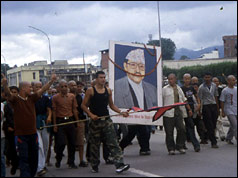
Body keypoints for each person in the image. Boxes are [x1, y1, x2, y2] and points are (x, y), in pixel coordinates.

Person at [1, 73, 57, 177]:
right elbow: (8, 94)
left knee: (34, 159)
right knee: (24, 159)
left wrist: (51, 81)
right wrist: (5, 84)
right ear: (23, 89)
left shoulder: (32, 98)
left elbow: (43, 90)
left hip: (33, 134)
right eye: (29, 87)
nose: (31, 89)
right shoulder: (15, 99)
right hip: (22, 136)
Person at [81, 71, 130, 174]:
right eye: (101, 77)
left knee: (113, 143)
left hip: (106, 121)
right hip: (95, 122)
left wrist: (121, 112)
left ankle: (119, 164)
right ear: (96, 79)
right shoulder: (91, 91)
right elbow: (83, 106)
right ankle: (94, 165)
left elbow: (112, 105)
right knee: (95, 145)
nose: (103, 79)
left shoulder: (108, 90)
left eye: (104, 77)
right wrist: (91, 115)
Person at [115, 49, 157, 155]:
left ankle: (145, 148)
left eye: (141, 66)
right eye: (133, 65)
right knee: (131, 133)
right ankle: (120, 148)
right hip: (130, 116)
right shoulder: (117, 87)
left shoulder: (152, 88)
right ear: (125, 66)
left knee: (144, 131)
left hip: (143, 116)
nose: (138, 70)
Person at [52, 80, 79, 169]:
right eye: (62, 86)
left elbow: (74, 109)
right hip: (60, 122)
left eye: (65, 86)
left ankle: (71, 162)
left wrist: (77, 121)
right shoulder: (55, 97)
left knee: (72, 143)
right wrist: (55, 125)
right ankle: (58, 158)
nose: (64, 88)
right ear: (59, 88)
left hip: (70, 120)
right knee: (61, 143)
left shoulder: (71, 96)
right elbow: (54, 111)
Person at [162, 73, 189, 155]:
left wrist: (189, 109)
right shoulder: (165, 89)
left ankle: (180, 145)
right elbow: (161, 101)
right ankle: (171, 148)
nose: (170, 81)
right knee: (169, 132)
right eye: (169, 79)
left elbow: (184, 99)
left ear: (175, 79)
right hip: (168, 113)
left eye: (172, 79)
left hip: (178, 111)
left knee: (182, 129)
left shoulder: (179, 88)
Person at [32, 81, 52, 176]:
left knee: (45, 144)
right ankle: (39, 167)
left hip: (44, 122)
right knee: (39, 145)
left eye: (41, 86)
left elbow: (49, 109)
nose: (39, 88)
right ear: (32, 88)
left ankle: (43, 164)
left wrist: (49, 117)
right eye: (37, 87)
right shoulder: (31, 98)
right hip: (34, 123)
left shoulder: (45, 98)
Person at [68, 80, 88, 167]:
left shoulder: (80, 97)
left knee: (80, 142)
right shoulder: (66, 97)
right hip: (69, 121)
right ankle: (70, 160)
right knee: (70, 142)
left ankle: (81, 160)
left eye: (75, 85)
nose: (74, 87)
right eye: (71, 85)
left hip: (80, 121)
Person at [198, 72, 219, 148]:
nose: (207, 79)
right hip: (206, 106)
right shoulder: (201, 87)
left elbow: (216, 96)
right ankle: (214, 142)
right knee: (209, 124)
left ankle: (206, 136)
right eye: (206, 77)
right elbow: (199, 99)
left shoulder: (214, 86)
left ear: (211, 77)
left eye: (208, 77)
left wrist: (217, 107)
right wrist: (200, 110)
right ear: (204, 78)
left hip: (213, 105)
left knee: (213, 124)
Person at [2, 86, 19, 175]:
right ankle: (14, 163)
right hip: (10, 131)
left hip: (20, 130)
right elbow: (3, 119)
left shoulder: (21, 104)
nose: (13, 93)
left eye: (15, 92)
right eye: (11, 92)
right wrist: (7, 127)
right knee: (10, 150)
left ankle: (17, 164)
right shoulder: (5, 105)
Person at [181, 74, 200, 152]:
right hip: (185, 109)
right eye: (185, 79)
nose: (187, 80)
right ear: (183, 79)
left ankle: (191, 144)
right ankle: (194, 145)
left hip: (192, 109)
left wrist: (199, 104)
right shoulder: (181, 89)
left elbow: (196, 96)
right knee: (186, 127)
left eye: (188, 79)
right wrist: (189, 109)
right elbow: (183, 100)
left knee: (189, 126)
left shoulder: (192, 88)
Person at [220, 75, 237, 144]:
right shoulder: (225, 90)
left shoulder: (236, 89)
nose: (234, 81)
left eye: (234, 80)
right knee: (235, 125)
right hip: (229, 109)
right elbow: (222, 101)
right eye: (232, 80)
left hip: (236, 108)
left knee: (232, 125)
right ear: (228, 81)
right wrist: (223, 111)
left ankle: (228, 138)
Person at [212, 77, 226, 141]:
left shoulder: (221, 90)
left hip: (219, 107)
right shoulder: (210, 89)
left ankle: (221, 134)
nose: (216, 83)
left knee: (219, 121)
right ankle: (213, 134)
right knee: (214, 121)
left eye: (217, 81)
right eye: (214, 81)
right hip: (211, 107)